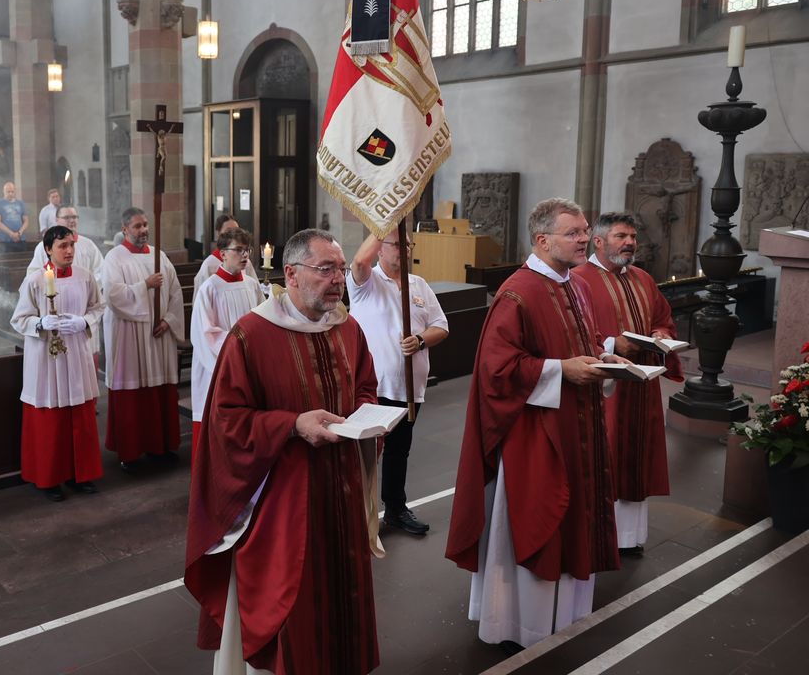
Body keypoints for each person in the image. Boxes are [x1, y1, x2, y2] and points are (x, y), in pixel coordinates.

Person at [185, 228, 383, 674]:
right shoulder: (251, 336)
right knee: (291, 606)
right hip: (282, 503)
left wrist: (368, 418)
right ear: (291, 275)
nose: (338, 279)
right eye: (325, 269)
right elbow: (226, 421)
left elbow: (366, 386)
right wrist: (292, 425)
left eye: (339, 268)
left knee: (340, 596)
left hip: (342, 489)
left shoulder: (347, 328)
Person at [446, 198, 628, 650]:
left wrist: (603, 359)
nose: (585, 238)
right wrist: (560, 371)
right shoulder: (518, 292)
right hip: (534, 435)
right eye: (574, 233)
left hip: (577, 426)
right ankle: (518, 622)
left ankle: (563, 614)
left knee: (576, 518)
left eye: (585, 230)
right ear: (543, 240)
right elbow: (496, 369)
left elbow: (576, 344)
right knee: (538, 518)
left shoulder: (574, 285)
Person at [572, 212, 683, 556]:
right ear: (599, 241)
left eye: (633, 236)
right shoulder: (577, 279)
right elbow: (570, 333)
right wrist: (610, 345)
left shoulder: (643, 279)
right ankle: (596, 533)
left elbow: (662, 317)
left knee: (638, 453)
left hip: (643, 384)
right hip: (605, 385)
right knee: (607, 451)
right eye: (621, 236)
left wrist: (661, 334)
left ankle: (629, 536)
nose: (630, 243)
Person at [348, 231, 449, 536]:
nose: (404, 249)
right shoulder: (367, 282)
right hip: (374, 387)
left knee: (398, 452)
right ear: (380, 249)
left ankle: (394, 509)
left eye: (407, 244)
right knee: (365, 454)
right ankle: (354, 514)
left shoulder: (419, 284)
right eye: (397, 243)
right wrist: (383, 226)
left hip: (410, 387)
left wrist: (420, 340)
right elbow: (358, 260)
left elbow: (441, 326)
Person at [9, 225, 107, 501]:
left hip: (76, 351)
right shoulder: (35, 281)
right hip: (46, 358)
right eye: (62, 246)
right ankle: (49, 477)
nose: (69, 251)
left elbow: (98, 307)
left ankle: (80, 474)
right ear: (48, 249)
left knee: (79, 413)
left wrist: (84, 321)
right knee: (50, 414)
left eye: (71, 245)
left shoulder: (86, 277)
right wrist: (40, 322)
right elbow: (18, 318)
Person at [100, 207, 184, 471]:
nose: (144, 230)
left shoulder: (159, 256)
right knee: (132, 394)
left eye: (146, 225)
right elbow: (112, 295)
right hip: (130, 337)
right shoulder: (114, 258)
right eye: (137, 226)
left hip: (158, 335)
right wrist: (144, 286)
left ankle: (159, 447)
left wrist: (167, 320)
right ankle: (131, 451)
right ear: (125, 229)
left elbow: (176, 292)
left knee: (159, 392)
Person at [189, 227, 264, 462]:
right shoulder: (209, 288)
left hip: (249, 364)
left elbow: (263, 322)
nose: (245, 256)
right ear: (222, 254)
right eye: (238, 250)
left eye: (247, 250)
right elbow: (205, 334)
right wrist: (238, 350)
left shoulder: (252, 285)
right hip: (218, 365)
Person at [26, 204, 105, 359]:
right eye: (67, 217)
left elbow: (101, 272)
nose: (72, 221)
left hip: (81, 312)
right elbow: (33, 277)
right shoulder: (42, 248)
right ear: (57, 220)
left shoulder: (88, 245)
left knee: (84, 362)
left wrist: (83, 289)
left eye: (74, 217)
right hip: (54, 312)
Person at [193, 214, 258, 294]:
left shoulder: (246, 263)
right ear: (218, 233)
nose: (234, 234)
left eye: (237, 230)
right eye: (229, 231)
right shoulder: (208, 265)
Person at [0, 180, 30, 251]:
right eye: (8, 192)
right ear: (3, 191)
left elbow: (26, 221)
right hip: (5, 240)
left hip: (21, 239)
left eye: (12, 192)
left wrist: (19, 233)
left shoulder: (21, 203)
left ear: (15, 191)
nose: (10, 194)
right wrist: (11, 234)